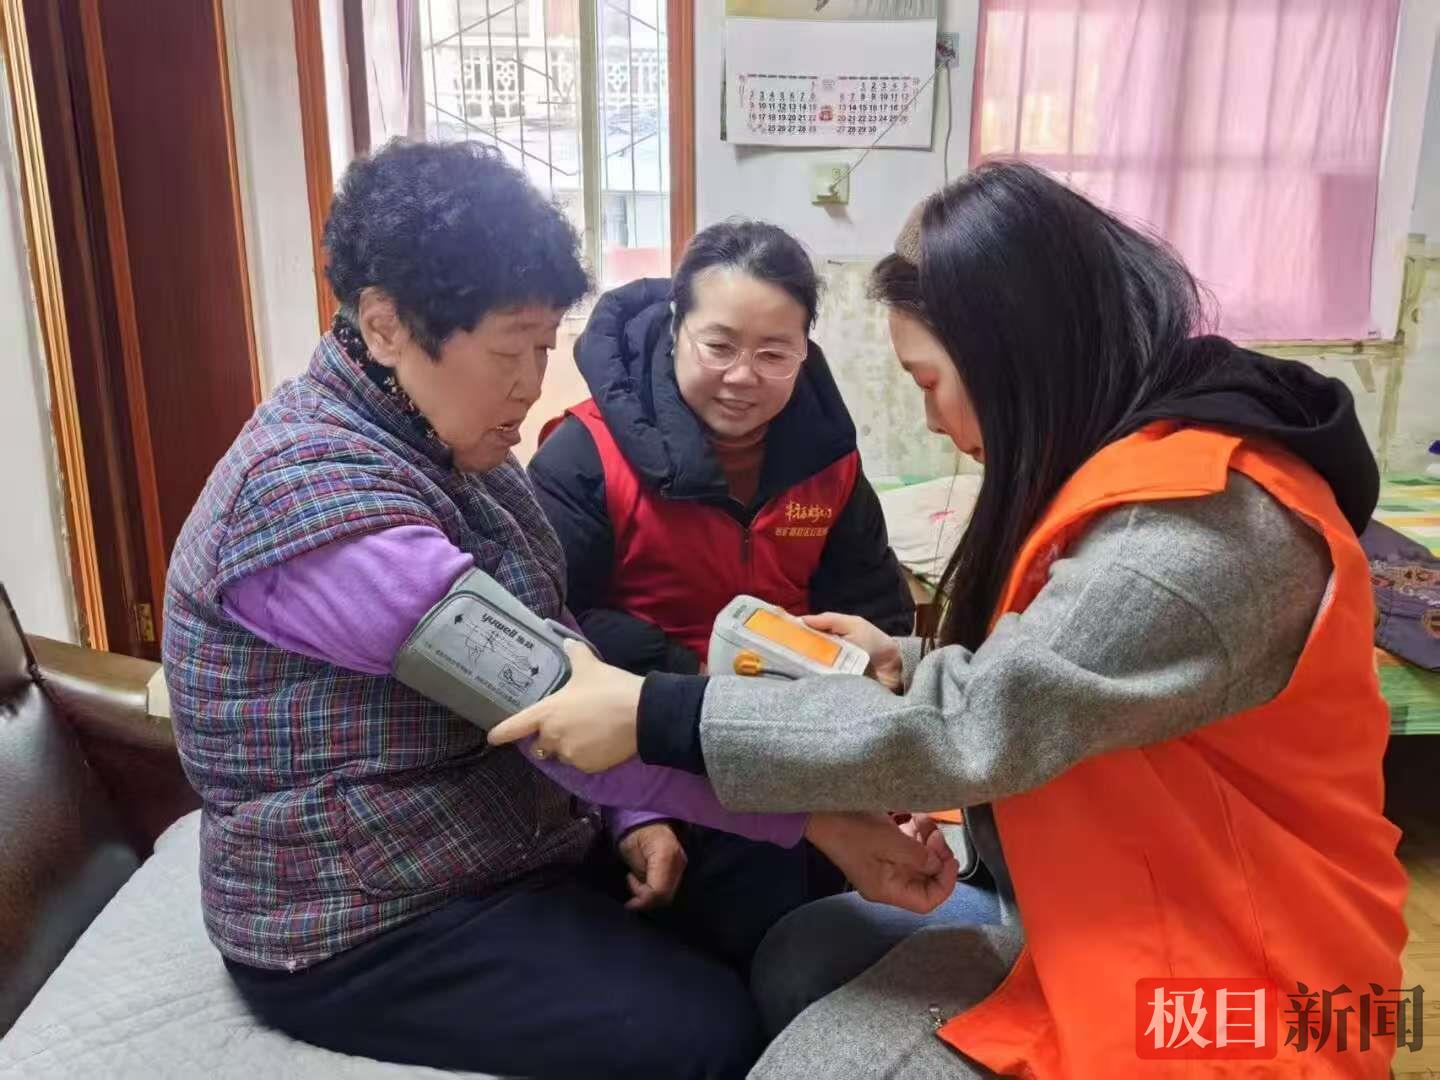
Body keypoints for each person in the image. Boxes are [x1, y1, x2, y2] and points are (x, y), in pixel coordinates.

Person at [489, 162, 1411, 1078]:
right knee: (796, 950)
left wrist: (661, 710)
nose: (930, 420)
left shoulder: (1194, 526)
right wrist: (905, 659)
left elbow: (980, 718)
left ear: (1013, 358)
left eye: (929, 382)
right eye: (721, 345)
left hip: (1217, 980)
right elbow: (1064, 668)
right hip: (1083, 897)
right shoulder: (584, 454)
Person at [162, 140, 955, 1080]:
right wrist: (819, 818)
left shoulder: (457, 451)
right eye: (510, 351)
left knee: (746, 906)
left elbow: (564, 646)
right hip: (368, 910)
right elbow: (548, 699)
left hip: (507, 837)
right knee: (705, 1034)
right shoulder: (311, 502)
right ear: (384, 327)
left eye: (545, 347)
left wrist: (634, 815)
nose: (532, 383)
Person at [529, 220, 914, 678]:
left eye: (774, 355)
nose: (743, 376)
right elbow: (557, 614)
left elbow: (873, 602)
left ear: (804, 352)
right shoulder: (585, 455)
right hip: (640, 702)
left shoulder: (830, 458)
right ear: (675, 329)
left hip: (801, 702)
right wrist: (696, 674)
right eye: (719, 346)